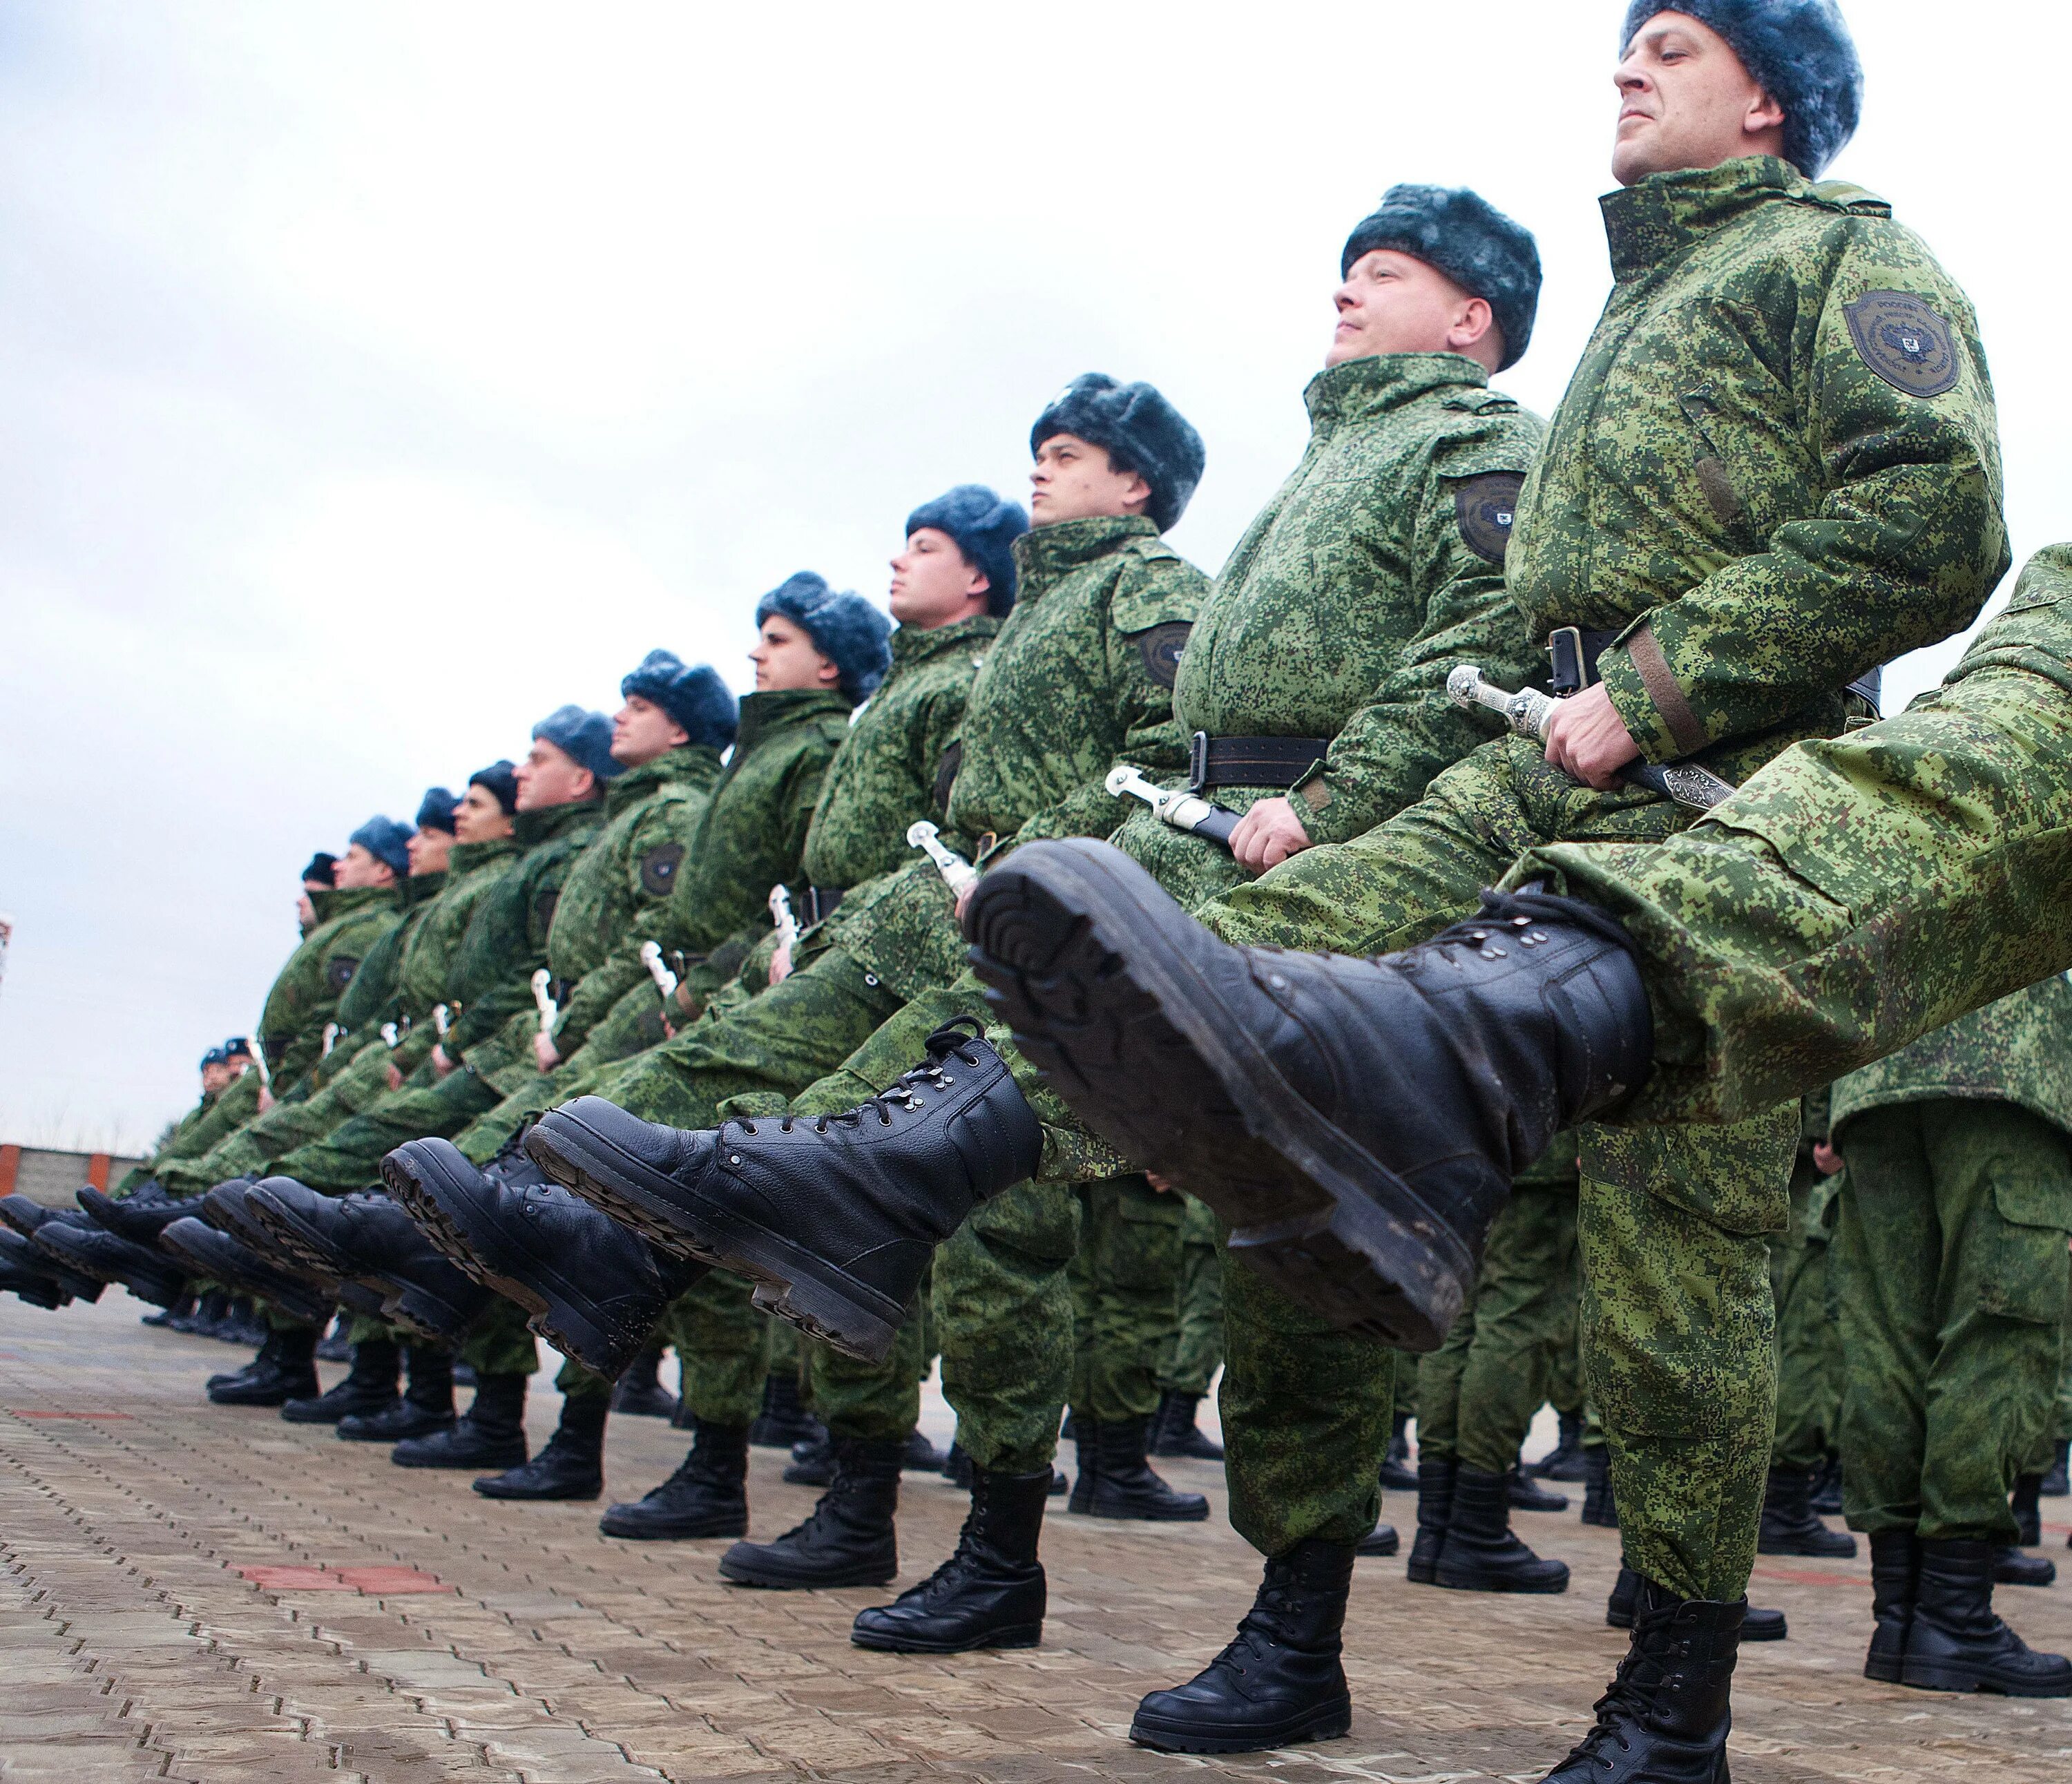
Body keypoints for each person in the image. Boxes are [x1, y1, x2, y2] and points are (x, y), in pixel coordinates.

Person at [528, 171, 1548, 1655]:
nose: (1347, 287)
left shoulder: (1476, 445)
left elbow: (1482, 632)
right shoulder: (1318, 469)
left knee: (1299, 1262)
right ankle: (655, 1249)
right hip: (1210, 850)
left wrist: (1332, 800)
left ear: (1470, 317)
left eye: (1383, 271)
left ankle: (1285, 1623)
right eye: (1348, 266)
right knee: (971, 1122)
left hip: (1327, 862)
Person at [1824, 976, 2072, 1691]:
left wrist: (1822, 1111)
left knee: (1886, 1347)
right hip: (2008, 1063)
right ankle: (1954, 1620)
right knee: (1996, 1335)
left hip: (1874, 1063)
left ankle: (1900, 1621)